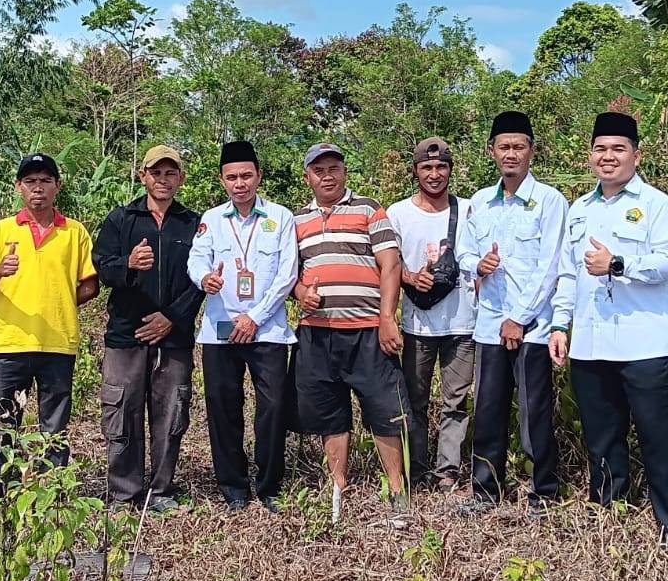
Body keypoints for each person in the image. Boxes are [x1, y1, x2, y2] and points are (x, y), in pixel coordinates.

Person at [551, 111, 668, 555]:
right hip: (591, 344)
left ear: (636, 154)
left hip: (642, 343)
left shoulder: (657, 206)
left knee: (657, 434)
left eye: (618, 149)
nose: (607, 157)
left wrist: (619, 264)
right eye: (600, 149)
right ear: (590, 155)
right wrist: (560, 324)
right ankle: (609, 516)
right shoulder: (579, 209)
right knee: (602, 435)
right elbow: (567, 274)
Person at [458, 111, 568, 514]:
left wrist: (519, 317)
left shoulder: (549, 201)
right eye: (503, 147)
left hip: (532, 327)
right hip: (489, 324)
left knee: (534, 413)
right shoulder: (481, 203)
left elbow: (550, 266)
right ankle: (486, 491)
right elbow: (465, 251)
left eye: (519, 147)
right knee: (487, 410)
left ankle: (544, 492)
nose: (511, 154)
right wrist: (477, 265)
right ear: (491, 151)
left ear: (532, 152)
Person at [291, 142, 411, 511]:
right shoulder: (296, 220)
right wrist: (299, 293)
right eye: (319, 170)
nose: (327, 176)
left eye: (333, 168)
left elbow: (390, 265)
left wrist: (387, 318)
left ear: (344, 172)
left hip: (368, 330)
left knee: (384, 409)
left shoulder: (369, 209)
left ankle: (396, 487)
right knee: (330, 412)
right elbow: (289, 274)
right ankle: (337, 485)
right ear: (308, 176)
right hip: (318, 331)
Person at [92, 146, 205, 513]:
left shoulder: (194, 224)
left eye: (171, 173)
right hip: (127, 335)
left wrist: (172, 317)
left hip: (174, 336)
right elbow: (102, 269)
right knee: (121, 411)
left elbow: (201, 279)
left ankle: (161, 490)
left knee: (171, 413)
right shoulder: (121, 219)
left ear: (181, 178)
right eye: (156, 172)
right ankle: (124, 492)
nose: (163, 179)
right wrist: (128, 263)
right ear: (143, 176)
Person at [188, 141, 299, 512]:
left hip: (266, 330)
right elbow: (197, 258)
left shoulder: (280, 217)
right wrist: (205, 279)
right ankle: (233, 487)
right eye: (232, 177)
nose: (240, 184)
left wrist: (256, 317)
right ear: (222, 180)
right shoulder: (212, 219)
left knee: (272, 407)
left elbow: (287, 275)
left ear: (259, 177)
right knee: (223, 407)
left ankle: (269, 486)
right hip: (221, 328)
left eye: (247, 175)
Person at [0, 153, 99, 475]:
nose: (38, 188)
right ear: (19, 187)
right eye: (30, 181)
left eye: (45, 181)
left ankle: (52, 498)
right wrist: (0, 269)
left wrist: (60, 304)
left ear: (58, 185)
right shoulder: (2, 231)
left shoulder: (75, 233)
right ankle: (0, 496)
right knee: (3, 426)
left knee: (55, 429)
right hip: (10, 345)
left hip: (58, 343)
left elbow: (90, 285)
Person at [386, 138, 477, 492]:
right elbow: (389, 264)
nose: (435, 174)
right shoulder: (398, 213)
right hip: (417, 323)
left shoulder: (470, 210)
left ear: (451, 170)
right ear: (415, 171)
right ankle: (417, 469)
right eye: (427, 168)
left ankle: (448, 473)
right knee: (415, 400)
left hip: (462, 321)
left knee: (456, 402)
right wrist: (411, 277)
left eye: (441, 167)